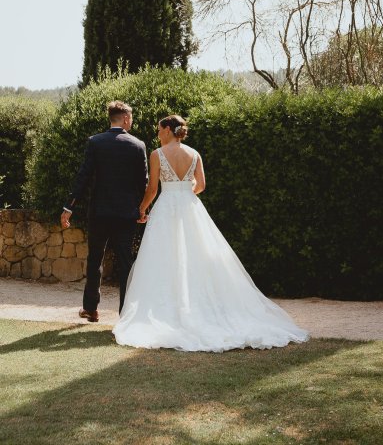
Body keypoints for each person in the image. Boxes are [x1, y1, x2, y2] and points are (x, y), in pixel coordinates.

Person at [113, 114, 309, 352]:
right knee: (198, 256)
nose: (157, 133)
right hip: (190, 206)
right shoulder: (194, 154)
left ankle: (166, 311)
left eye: (159, 129)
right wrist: (185, 194)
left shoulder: (157, 154)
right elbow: (202, 185)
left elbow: (153, 188)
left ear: (167, 130)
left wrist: (142, 209)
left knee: (163, 258)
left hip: (166, 207)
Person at [61, 101, 148, 322]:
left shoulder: (96, 142)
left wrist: (68, 207)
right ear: (126, 119)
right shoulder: (138, 145)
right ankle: (126, 314)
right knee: (125, 261)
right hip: (127, 214)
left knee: (95, 260)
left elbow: (84, 176)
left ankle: (91, 309)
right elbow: (143, 183)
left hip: (99, 212)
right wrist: (142, 209)